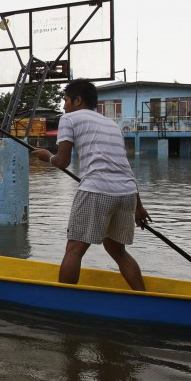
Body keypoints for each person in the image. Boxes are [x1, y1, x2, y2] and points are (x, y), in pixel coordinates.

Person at [32, 78, 150, 291]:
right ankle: (143, 296)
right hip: (127, 194)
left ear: (78, 100)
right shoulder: (112, 125)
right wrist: (138, 206)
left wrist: (47, 156)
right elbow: (124, 167)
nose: (64, 106)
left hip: (97, 190)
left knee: (74, 249)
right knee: (117, 250)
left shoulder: (69, 118)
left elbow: (63, 161)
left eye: (66, 100)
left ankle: (63, 302)